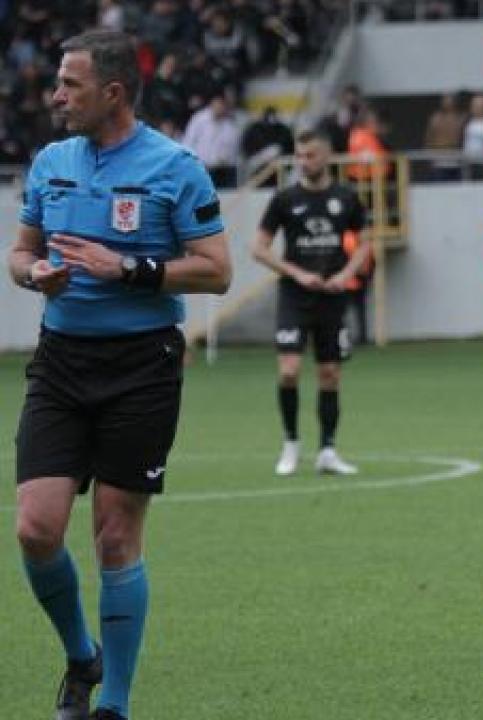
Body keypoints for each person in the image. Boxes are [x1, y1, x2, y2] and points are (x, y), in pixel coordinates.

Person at [10, 30, 231, 720]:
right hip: (61, 361)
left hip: (142, 366)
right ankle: (82, 656)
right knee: (35, 529)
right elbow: (19, 253)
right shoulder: (50, 163)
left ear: (112, 93)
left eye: (69, 84)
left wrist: (129, 268)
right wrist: (34, 273)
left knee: (114, 535)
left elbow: (217, 270)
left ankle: (115, 704)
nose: (56, 96)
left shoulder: (176, 166)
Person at [252, 130, 370, 477]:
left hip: (332, 297)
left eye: (311, 155)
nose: (304, 162)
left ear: (328, 156)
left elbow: (364, 244)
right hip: (295, 296)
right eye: (300, 155)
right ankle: (291, 443)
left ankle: (328, 451)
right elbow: (258, 248)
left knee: (329, 374)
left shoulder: (346, 197)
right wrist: (298, 274)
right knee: (288, 371)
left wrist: (345, 274)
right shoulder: (284, 199)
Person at [181, 88, 243, 188]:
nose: (220, 107)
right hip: (202, 167)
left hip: (222, 170)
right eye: (217, 103)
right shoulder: (199, 119)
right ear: (212, 103)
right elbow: (188, 142)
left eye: (222, 105)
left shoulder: (230, 125)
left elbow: (234, 150)